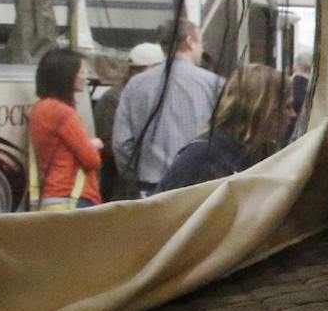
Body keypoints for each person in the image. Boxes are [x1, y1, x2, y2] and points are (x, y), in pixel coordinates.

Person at [112, 20, 225, 197]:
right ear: (189, 41)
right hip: (199, 186)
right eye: (200, 43)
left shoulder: (135, 85)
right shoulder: (214, 84)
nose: (202, 50)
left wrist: (137, 173)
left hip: (150, 187)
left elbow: (122, 143)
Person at [154, 63, 293, 192]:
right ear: (264, 109)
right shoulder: (203, 157)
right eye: (287, 106)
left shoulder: (249, 152)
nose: (293, 114)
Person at [29, 47, 102, 209]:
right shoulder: (65, 113)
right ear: (67, 76)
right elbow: (91, 160)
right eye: (82, 71)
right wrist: (94, 144)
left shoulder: (38, 109)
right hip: (74, 196)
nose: (86, 77)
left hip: (50, 196)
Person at [92, 41, 161, 201]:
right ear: (149, 69)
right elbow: (108, 143)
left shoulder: (151, 96)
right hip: (120, 186)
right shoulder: (113, 98)